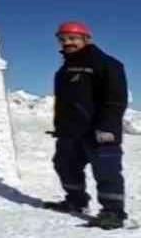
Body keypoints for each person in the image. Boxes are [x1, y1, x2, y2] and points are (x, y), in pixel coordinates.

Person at [44, 21, 129, 229]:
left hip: (99, 130)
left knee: (106, 171)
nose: (67, 43)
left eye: (73, 38)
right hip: (70, 131)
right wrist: (60, 128)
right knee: (65, 165)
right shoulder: (64, 69)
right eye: (63, 39)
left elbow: (115, 100)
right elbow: (65, 103)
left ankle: (113, 212)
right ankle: (76, 201)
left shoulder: (107, 64)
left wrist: (107, 127)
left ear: (86, 39)